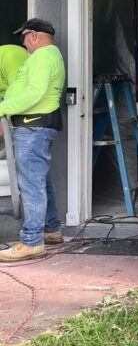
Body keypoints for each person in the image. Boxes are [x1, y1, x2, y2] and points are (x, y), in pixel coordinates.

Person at [0, 19, 66, 262]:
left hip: (32, 127)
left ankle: (31, 241)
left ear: (34, 35)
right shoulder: (50, 56)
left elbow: (34, 92)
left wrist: (3, 108)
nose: (24, 43)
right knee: (40, 180)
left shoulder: (42, 56)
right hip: (38, 127)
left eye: (24, 37)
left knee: (31, 185)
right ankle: (51, 229)